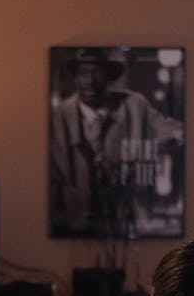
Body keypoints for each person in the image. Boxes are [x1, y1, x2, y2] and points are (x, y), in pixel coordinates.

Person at [50, 48, 184, 238]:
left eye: (97, 72)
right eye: (83, 73)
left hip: (129, 227)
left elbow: (170, 130)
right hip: (74, 228)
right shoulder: (57, 118)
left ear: (108, 77)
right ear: (75, 78)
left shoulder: (135, 105)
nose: (90, 81)